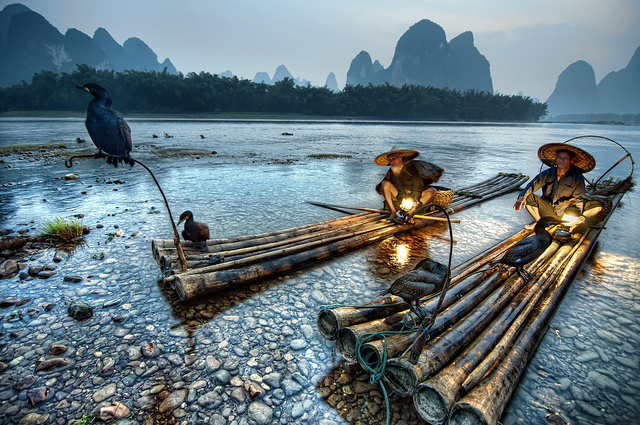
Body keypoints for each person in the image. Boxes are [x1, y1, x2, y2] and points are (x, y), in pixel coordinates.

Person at [514, 143, 602, 232]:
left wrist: (575, 215)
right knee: (528, 196)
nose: (562, 160)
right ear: (556, 159)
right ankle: (540, 222)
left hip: (566, 211)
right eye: (560, 157)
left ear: (571, 160)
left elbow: (579, 199)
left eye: (565, 158)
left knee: (597, 206)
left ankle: (574, 223)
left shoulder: (577, 176)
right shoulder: (548, 173)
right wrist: (522, 197)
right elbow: (532, 185)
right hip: (549, 210)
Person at [375, 147, 444, 223]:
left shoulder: (412, 167)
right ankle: (393, 212)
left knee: (432, 190)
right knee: (385, 183)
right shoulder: (393, 170)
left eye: (394, 158)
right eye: (390, 160)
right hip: (401, 196)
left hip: (414, 196)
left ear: (400, 156)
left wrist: (415, 199)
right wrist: (403, 199)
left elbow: (418, 186)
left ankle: (409, 214)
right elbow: (399, 188)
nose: (392, 161)